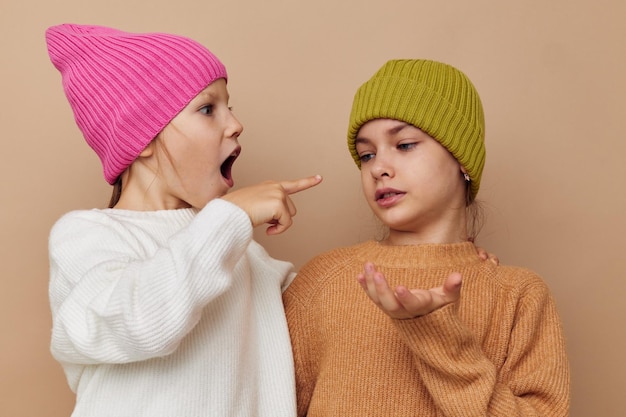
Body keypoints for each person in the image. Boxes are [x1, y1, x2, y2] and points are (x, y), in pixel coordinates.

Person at [45, 23, 322, 417]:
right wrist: (232, 217)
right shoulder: (86, 236)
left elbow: (319, 315)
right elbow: (139, 318)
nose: (235, 123)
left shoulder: (240, 252)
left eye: (230, 105)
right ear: (140, 139)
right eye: (208, 108)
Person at [283, 59, 570, 416]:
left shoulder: (519, 295)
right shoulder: (321, 281)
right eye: (366, 154)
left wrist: (440, 338)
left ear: (463, 159)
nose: (378, 168)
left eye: (404, 145)